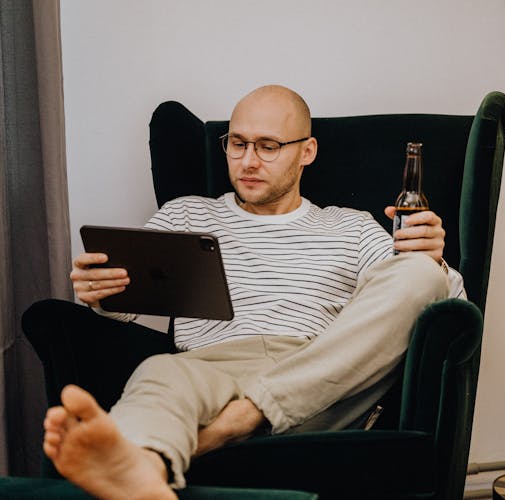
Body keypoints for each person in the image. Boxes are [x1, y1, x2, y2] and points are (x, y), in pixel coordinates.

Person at [33, 85, 465, 500]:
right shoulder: (186, 213)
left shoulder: (349, 226)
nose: (248, 161)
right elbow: (127, 302)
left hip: (320, 373)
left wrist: (432, 258)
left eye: (267, 146)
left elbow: (444, 302)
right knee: (161, 373)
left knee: (419, 274)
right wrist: (100, 293)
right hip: (213, 367)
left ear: (306, 152)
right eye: (237, 144)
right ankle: (143, 470)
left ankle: (224, 429)